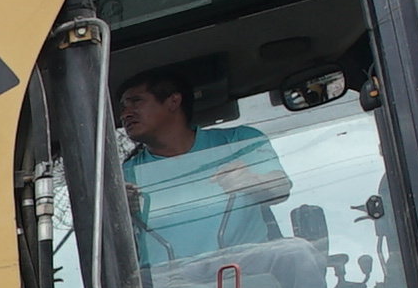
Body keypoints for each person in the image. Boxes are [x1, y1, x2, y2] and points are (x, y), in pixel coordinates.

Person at [116, 66, 291, 261]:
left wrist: (252, 180)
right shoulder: (124, 175)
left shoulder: (239, 141)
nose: (125, 114)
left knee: (299, 254)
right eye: (123, 107)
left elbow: (281, 189)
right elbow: (108, 239)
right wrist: (121, 211)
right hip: (168, 283)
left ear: (173, 101)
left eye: (136, 102)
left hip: (249, 271)